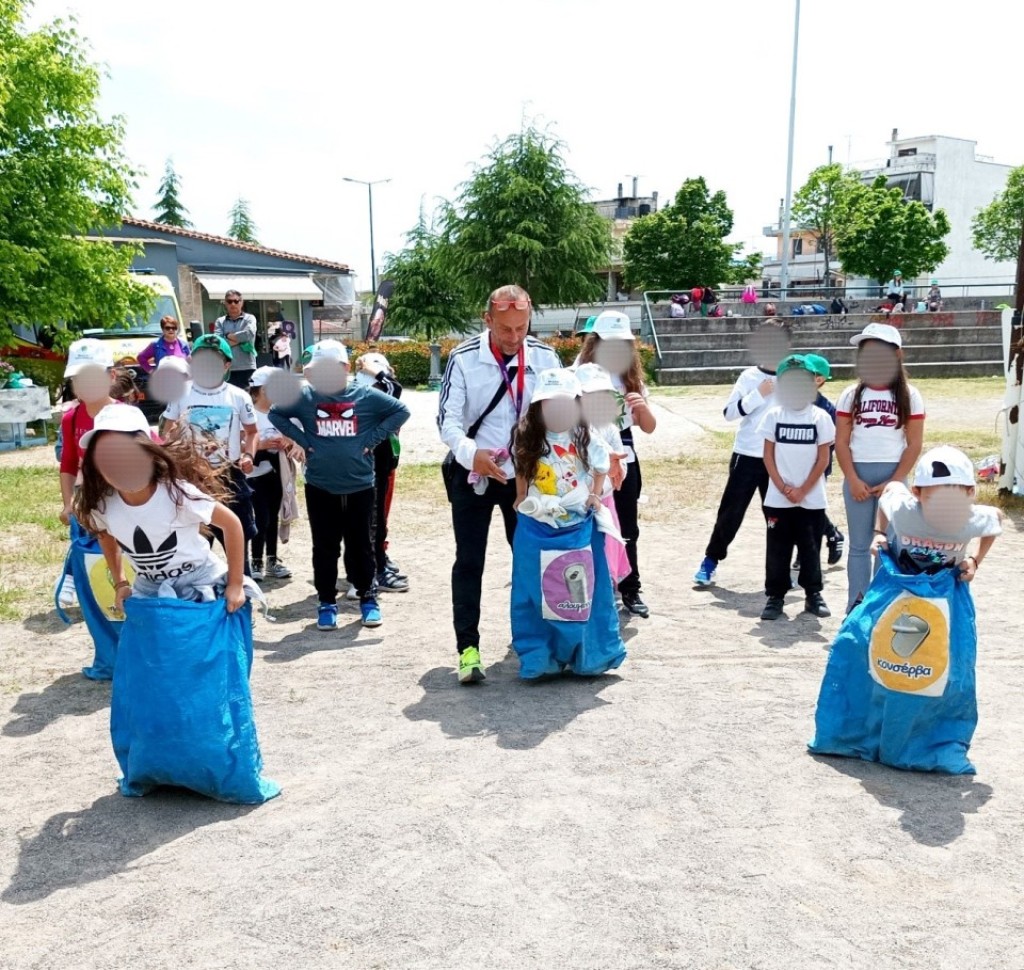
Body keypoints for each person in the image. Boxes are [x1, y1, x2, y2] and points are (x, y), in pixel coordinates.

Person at [809, 446, 1002, 774]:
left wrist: (974, 561)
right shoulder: (905, 508)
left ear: (970, 494)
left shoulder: (972, 518)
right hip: (898, 591)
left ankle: (927, 734)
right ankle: (863, 726)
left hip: (943, 602)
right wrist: (880, 533)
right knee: (861, 645)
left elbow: (996, 521)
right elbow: (887, 494)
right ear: (918, 494)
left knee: (941, 668)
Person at [438, 284, 560, 683]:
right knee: (470, 561)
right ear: (487, 320)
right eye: (505, 329)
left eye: (521, 328)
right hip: (473, 472)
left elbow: (559, 417)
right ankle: (468, 649)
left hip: (524, 478)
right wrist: (470, 451)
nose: (513, 338)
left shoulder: (545, 358)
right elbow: (447, 420)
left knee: (530, 559)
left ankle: (535, 642)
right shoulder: (463, 358)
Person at [269, 339, 410, 631]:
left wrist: (371, 440)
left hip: (360, 485)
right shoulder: (306, 397)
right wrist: (305, 442)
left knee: (362, 545)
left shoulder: (365, 395)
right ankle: (326, 601)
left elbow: (401, 411)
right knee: (325, 546)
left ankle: (368, 598)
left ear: (345, 368)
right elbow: (275, 413)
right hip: (320, 485)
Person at [510, 367, 626, 678]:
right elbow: (522, 468)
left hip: (578, 528)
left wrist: (594, 494)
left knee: (582, 593)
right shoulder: (527, 436)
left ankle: (588, 655)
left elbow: (602, 464)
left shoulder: (585, 436)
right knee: (535, 591)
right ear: (539, 407)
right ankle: (540, 655)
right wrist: (521, 496)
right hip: (537, 526)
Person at [834, 322, 925, 614]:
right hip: (858, 477)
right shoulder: (851, 394)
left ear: (897, 354)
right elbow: (842, 441)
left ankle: (882, 607)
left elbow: (913, 444)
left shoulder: (910, 395)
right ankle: (856, 607)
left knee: (887, 546)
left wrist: (896, 481)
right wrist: (852, 477)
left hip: (894, 479)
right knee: (859, 546)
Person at [693, 321, 792, 586]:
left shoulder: (792, 376)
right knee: (731, 513)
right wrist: (757, 395)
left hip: (780, 459)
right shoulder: (749, 376)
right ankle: (710, 561)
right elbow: (729, 413)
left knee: (778, 517)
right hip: (747, 455)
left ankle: (780, 572)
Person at [575, 310, 657, 617]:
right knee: (591, 524)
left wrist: (642, 407)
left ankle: (630, 588)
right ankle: (595, 588)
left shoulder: (630, 376)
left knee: (627, 526)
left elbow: (647, 426)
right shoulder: (578, 372)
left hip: (623, 453)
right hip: (585, 454)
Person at [161, 334, 259, 575]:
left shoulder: (238, 396)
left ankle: (242, 593)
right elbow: (167, 429)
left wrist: (248, 456)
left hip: (229, 475)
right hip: (192, 476)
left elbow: (252, 431)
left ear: (227, 365)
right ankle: (200, 601)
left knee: (236, 539)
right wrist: (172, 452)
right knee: (195, 545)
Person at [757, 355, 836, 620]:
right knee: (777, 550)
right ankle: (775, 596)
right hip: (778, 498)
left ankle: (813, 594)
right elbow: (768, 455)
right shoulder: (773, 416)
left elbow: (823, 458)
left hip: (811, 498)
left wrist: (803, 490)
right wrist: (781, 486)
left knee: (810, 548)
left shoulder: (821, 417)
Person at [354, 351, 408, 593]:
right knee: (372, 523)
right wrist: (374, 370)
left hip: (379, 468)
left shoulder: (364, 397)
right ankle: (373, 572)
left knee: (375, 521)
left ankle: (377, 564)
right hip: (369, 470)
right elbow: (394, 387)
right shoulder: (369, 398)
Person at [577, 362, 631, 588]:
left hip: (603, 504)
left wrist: (615, 466)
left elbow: (621, 467)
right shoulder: (568, 427)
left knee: (603, 563)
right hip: (577, 507)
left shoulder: (609, 427)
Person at [793, 354, 845, 569]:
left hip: (816, 467)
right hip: (792, 465)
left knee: (808, 509)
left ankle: (816, 544)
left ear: (819, 380)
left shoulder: (826, 409)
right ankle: (831, 534)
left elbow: (830, 443)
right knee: (796, 509)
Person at [246, 366, 298, 582]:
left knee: (274, 514)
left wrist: (287, 442)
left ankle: (272, 559)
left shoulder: (279, 412)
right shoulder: (248, 411)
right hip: (253, 473)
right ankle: (256, 560)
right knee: (261, 517)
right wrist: (262, 444)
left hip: (277, 470)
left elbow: (294, 436)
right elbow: (240, 443)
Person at [214, 290, 258, 388]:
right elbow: (218, 343)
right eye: (229, 301)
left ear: (241, 302)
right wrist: (240, 339)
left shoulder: (250, 319)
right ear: (225, 303)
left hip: (247, 368)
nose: (233, 304)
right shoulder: (220, 322)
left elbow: (248, 334)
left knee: (247, 399)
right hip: (227, 369)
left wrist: (228, 335)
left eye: (236, 301)